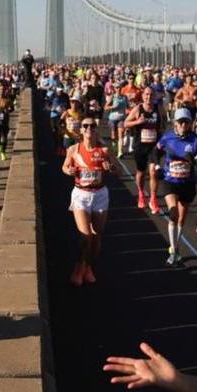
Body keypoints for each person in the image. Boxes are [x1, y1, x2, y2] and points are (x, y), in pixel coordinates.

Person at [61, 116, 111, 286]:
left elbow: (117, 170)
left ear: (96, 129)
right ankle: (78, 268)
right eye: (85, 126)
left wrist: (109, 167)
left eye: (92, 126)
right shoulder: (74, 149)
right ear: (81, 130)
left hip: (100, 195)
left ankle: (88, 266)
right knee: (86, 236)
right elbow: (65, 167)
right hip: (81, 195)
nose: (89, 128)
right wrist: (69, 171)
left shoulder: (104, 150)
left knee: (97, 236)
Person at [156, 107, 197, 266]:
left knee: (181, 218)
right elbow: (155, 152)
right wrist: (157, 167)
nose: (184, 125)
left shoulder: (196, 140)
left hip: (187, 183)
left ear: (191, 123)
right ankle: (173, 249)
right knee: (173, 213)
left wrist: (196, 161)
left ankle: (177, 247)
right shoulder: (167, 138)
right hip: (170, 181)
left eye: (186, 122)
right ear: (175, 124)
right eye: (181, 122)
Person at [123, 92, 163, 214]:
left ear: (154, 97)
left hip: (154, 146)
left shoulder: (159, 108)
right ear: (143, 96)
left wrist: (162, 136)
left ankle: (153, 198)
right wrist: (137, 122)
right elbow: (125, 123)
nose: (148, 97)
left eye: (151, 95)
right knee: (141, 172)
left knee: (153, 172)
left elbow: (164, 122)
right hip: (140, 145)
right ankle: (141, 192)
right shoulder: (138, 109)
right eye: (146, 95)